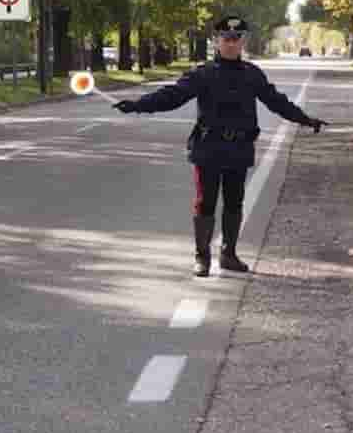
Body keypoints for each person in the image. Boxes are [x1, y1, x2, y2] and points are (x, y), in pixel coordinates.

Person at [113, 15, 327, 277]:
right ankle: (202, 258)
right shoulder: (203, 74)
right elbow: (172, 97)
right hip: (209, 148)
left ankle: (229, 254)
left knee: (235, 202)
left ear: (243, 42)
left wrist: (305, 119)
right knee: (206, 203)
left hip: (239, 148)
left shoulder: (252, 74)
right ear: (216, 42)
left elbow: (277, 102)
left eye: (236, 39)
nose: (231, 44)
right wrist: (137, 105)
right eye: (226, 38)